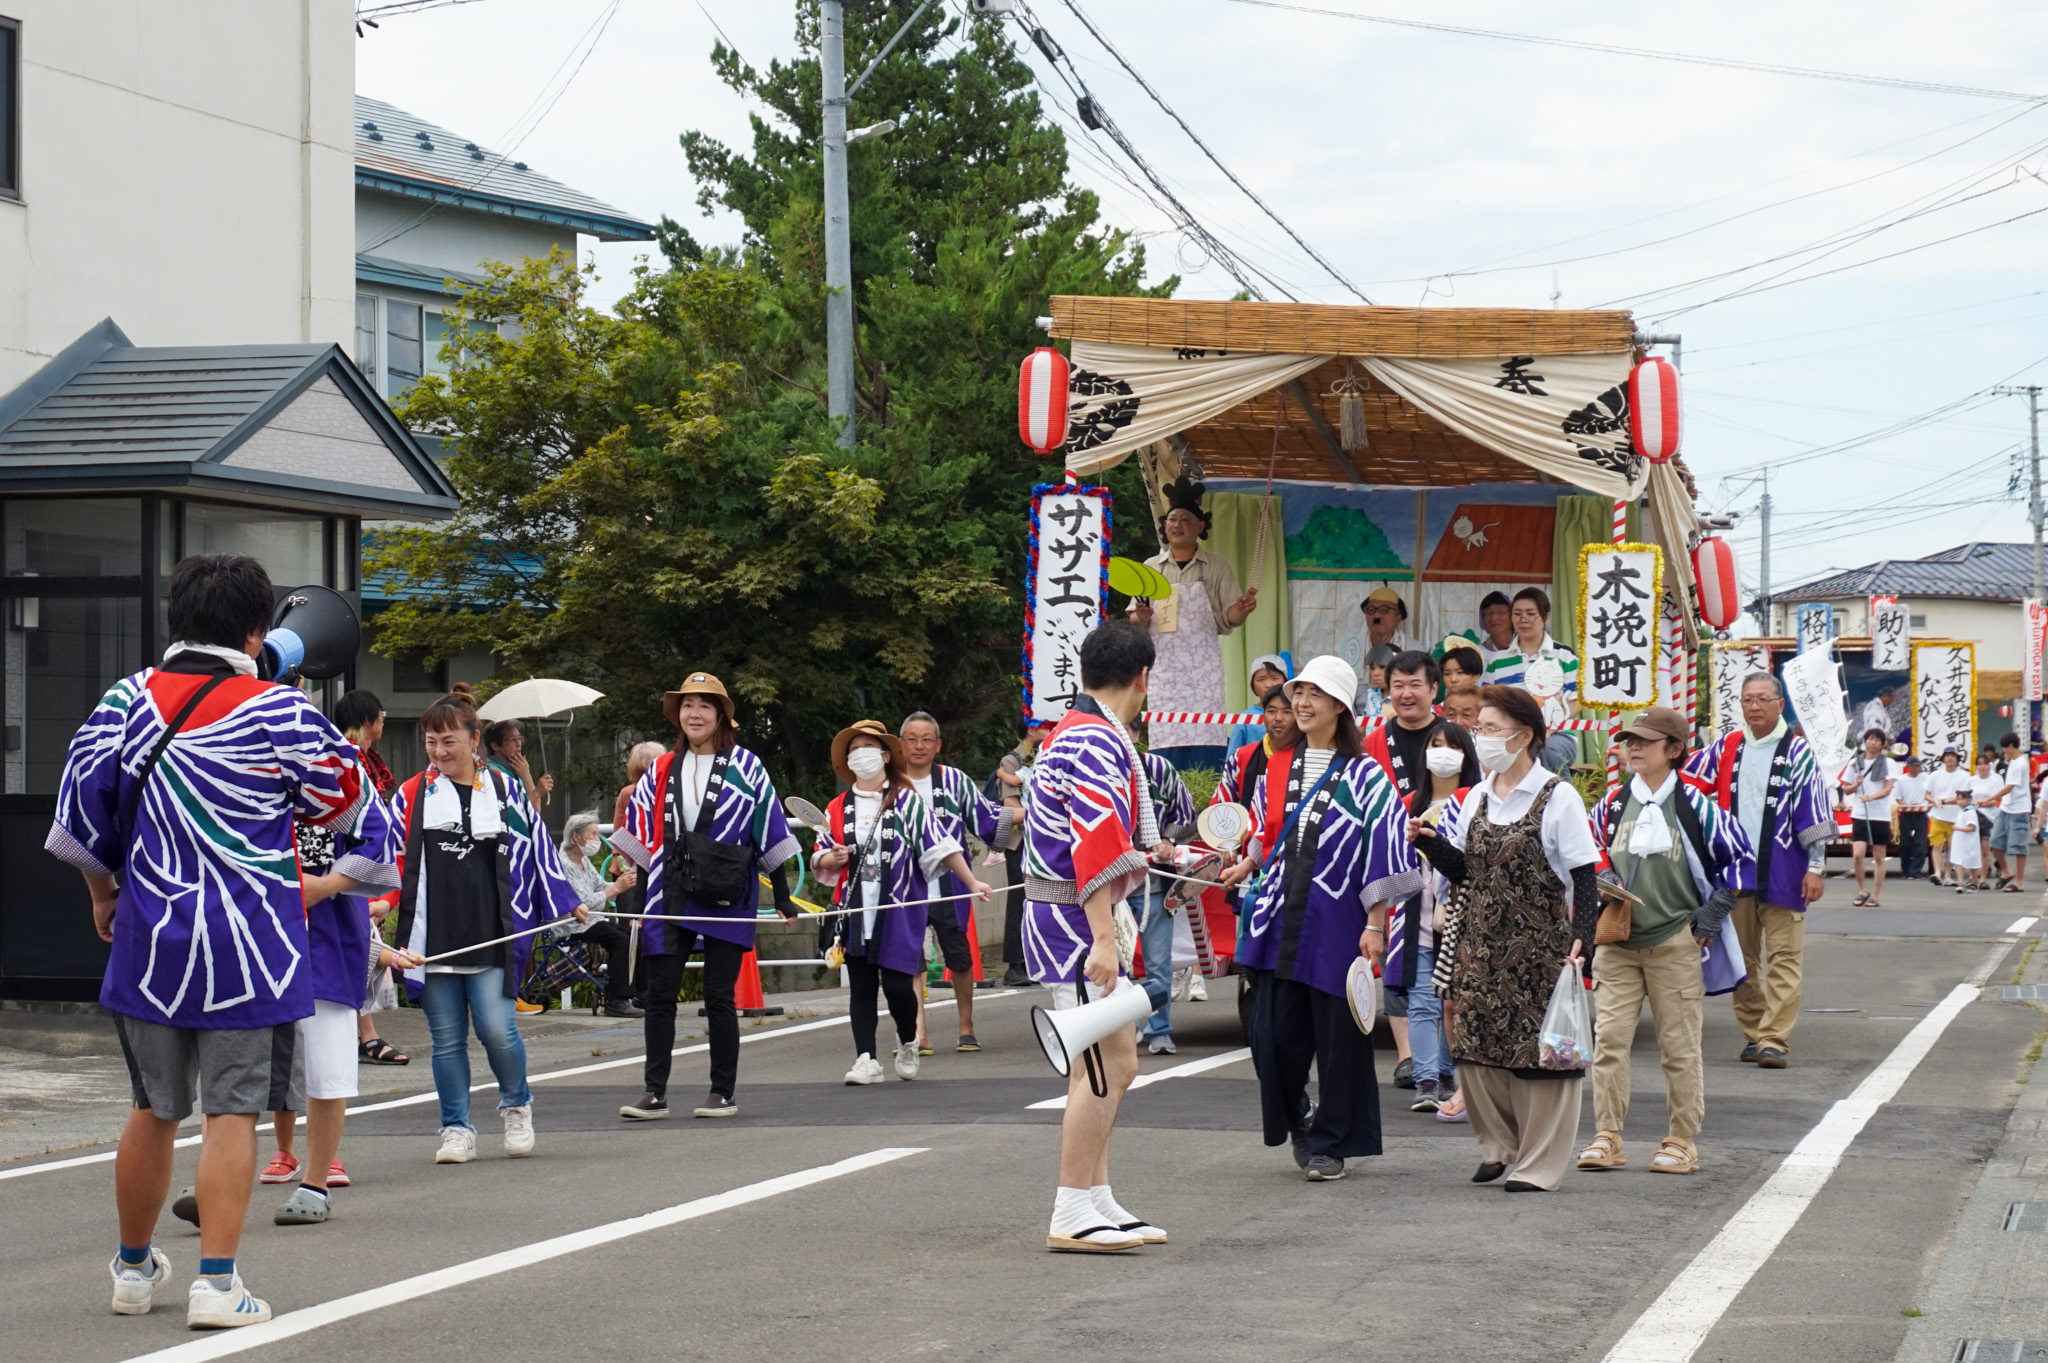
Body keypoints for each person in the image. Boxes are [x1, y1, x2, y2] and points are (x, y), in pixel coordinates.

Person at [49, 552, 374, 1327]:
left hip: (152, 939)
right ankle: (217, 1284)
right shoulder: (279, 711)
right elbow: (348, 801)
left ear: (176, 617)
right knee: (231, 1112)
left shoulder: (125, 700)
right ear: (257, 631)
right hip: (251, 945)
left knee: (152, 1107)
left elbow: (78, 816)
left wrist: (103, 895)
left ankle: (133, 1270)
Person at [1218, 654, 1421, 1182]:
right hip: (1277, 920)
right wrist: (1245, 863)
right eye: (1299, 693)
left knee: (1339, 1042)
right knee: (1270, 1039)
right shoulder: (1277, 765)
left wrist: (1375, 924)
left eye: (1315, 694)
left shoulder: (1366, 774)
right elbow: (1266, 831)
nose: (1303, 704)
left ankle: (1332, 1142)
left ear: (1340, 706)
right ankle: (1299, 1118)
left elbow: (1384, 849)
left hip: (1337, 923)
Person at [1412, 685, 1601, 1192]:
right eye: (1480, 729)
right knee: (1476, 1049)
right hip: (1478, 944)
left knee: (1542, 1057)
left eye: (1491, 729)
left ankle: (1538, 1163)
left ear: (1524, 736)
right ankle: (1497, 1147)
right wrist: (1429, 845)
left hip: (1538, 948)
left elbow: (1584, 875)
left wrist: (1584, 937)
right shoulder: (1477, 794)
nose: (1482, 738)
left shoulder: (1557, 797)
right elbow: (1464, 869)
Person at [1022, 620, 1171, 1251]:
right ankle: (1071, 1206)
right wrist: (1104, 939)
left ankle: (1095, 1196)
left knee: (1114, 1063)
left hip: (1074, 914)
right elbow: (1094, 842)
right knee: (1103, 1066)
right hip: (1077, 922)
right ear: (1143, 678)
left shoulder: (1079, 731)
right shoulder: (1092, 740)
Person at [388, 689, 584, 1164]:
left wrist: (566, 899)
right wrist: (379, 902)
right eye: (431, 741)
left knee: (497, 1029)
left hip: (494, 928)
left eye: (449, 741)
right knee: (446, 1039)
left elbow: (537, 846)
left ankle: (516, 1106)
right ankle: (456, 1128)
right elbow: (389, 857)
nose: (439, 751)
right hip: (434, 934)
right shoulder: (412, 793)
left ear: (474, 739)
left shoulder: (505, 789)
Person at [612, 672, 802, 1121]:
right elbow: (641, 835)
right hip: (669, 891)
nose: (694, 713)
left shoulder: (747, 766)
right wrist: (637, 900)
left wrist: (783, 896)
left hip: (727, 890)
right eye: (687, 705)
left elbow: (767, 826)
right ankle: (654, 1092)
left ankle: (722, 1092)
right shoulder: (661, 768)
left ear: (721, 715)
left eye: (704, 705)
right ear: (677, 714)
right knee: (660, 994)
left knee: (719, 995)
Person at [1577, 706, 1752, 1177]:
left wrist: (1711, 915)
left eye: (1646, 741)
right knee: (1609, 1042)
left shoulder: (1697, 805)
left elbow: (1740, 859)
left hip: (1676, 939)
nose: (1633, 748)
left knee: (1679, 1047)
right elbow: (1587, 849)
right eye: (1629, 740)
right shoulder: (1612, 804)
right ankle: (1607, 1135)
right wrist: (1604, 875)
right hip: (1617, 940)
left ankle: (1682, 1140)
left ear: (1675, 750)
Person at [259, 779, 407, 1224]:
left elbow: (376, 835)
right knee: (234, 1060)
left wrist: (325, 885)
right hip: (250, 929)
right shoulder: (234, 764)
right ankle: (219, 1177)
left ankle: (316, 1182)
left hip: (328, 934)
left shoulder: (338, 771)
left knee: (326, 1064)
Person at [815, 721, 990, 1083]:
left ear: (884, 756)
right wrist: (834, 857)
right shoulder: (837, 807)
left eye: (869, 747)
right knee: (861, 988)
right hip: (854, 909)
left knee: (899, 988)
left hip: (898, 908)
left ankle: (908, 1038)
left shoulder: (907, 801)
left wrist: (972, 881)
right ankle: (866, 1059)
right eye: (854, 749)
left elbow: (940, 845)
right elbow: (822, 856)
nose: (861, 755)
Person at [1686, 672, 1833, 1071]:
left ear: (1780, 705)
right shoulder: (1726, 746)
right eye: (1748, 699)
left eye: (1763, 699)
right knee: (1743, 958)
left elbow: (1814, 812)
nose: (1754, 706)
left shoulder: (1798, 752)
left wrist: (1815, 867)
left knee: (1784, 959)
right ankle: (1754, 1033)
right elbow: (1686, 781)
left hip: (1786, 870)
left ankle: (1774, 1039)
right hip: (1735, 872)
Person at [1364, 650, 1482, 1090]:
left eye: (1415, 684)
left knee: (1454, 994)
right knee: (1410, 983)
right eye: (1398, 685)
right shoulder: (1374, 743)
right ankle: (1417, 1067)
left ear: (1435, 689)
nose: (1406, 693)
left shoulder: (1470, 782)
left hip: (1456, 902)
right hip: (1407, 892)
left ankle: (1454, 1071)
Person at [898, 711, 1017, 1051]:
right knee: (910, 960)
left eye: (926, 740)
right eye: (912, 739)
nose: (919, 746)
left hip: (950, 885)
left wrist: (1038, 813)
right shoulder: (889, 783)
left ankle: (966, 1026)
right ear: (901, 744)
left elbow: (987, 819)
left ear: (938, 745)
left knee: (960, 958)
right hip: (904, 887)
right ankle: (918, 1033)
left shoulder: (955, 781)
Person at [1126, 474, 1258, 771]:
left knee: (1206, 733)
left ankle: (1207, 786)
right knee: (1166, 733)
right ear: (1164, 526)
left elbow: (1229, 619)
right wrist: (1140, 617)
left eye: (1186, 519)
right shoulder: (1150, 568)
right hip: (1164, 669)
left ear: (1200, 527)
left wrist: (1242, 609)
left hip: (1203, 670)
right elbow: (1134, 620)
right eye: (1172, 519)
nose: (1178, 525)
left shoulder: (1217, 566)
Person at [1393, 721, 1478, 1117]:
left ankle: (1449, 1073)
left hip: (1463, 914)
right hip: (1417, 913)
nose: (1442, 753)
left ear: (1467, 754)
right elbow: (1391, 857)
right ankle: (1426, 1080)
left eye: (1452, 746)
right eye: (1435, 744)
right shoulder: (1409, 803)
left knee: (1455, 1000)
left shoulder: (1476, 800)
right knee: (1423, 999)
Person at [334, 689, 410, 1068]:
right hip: (347, 876)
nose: (383, 722)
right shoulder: (348, 762)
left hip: (356, 877)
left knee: (358, 955)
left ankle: (364, 1035)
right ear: (368, 720)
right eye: (381, 715)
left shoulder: (361, 761)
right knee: (355, 953)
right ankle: (365, 1036)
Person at [1135, 748, 1197, 1055]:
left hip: (1154, 882)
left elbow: (1186, 813)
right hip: (1107, 885)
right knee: (1112, 965)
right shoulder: (1095, 766)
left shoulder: (1159, 768)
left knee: (1158, 963)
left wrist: (1168, 839)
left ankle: (1159, 1029)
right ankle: (1119, 1030)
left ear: (1137, 735)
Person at [1482, 587, 1581, 772]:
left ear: (1546, 617)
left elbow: (1577, 700)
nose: (1523, 619)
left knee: (1545, 751)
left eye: (1530, 614)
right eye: (1517, 614)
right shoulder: (1498, 661)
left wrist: (1548, 727)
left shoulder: (1564, 656)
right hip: (1509, 733)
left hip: (1556, 734)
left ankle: (1559, 791)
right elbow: (1488, 702)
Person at [557, 811, 642, 1017]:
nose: (597, 839)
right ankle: (616, 1000)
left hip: (591, 921)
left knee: (633, 936)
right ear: (577, 837)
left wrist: (623, 883)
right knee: (621, 941)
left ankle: (637, 995)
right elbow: (581, 903)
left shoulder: (583, 860)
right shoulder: (564, 864)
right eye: (593, 834)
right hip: (575, 923)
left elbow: (600, 886)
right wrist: (615, 889)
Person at [989, 722, 1050, 988]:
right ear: (1031, 729)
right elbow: (1011, 808)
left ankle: (1036, 961)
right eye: (1046, 726)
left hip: (1044, 841)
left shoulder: (1047, 757)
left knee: (1042, 900)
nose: (1051, 731)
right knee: (1020, 899)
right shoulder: (1011, 761)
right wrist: (1048, 813)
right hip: (1021, 843)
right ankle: (1015, 965)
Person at [1841, 729, 1895, 907]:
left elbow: (1888, 788)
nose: (1873, 743)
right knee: (1858, 854)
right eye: (1870, 739)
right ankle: (1862, 890)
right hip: (1860, 814)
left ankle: (1876, 895)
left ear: (1882, 744)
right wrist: (1856, 784)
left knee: (1879, 857)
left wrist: (1871, 797)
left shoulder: (1888, 762)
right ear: (1865, 742)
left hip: (1880, 815)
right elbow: (1846, 789)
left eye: (1877, 740)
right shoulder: (1855, 763)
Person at [1225, 654, 1292, 755]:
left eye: (1274, 678)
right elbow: (1232, 757)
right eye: (1261, 679)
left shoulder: (1295, 714)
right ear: (1253, 685)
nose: (1268, 685)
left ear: (1285, 681)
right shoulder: (1244, 719)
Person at [483, 718, 554, 810]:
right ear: (495, 746)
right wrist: (537, 793)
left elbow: (536, 809)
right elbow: (513, 812)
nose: (518, 744)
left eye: (520, 738)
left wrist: (526, 776)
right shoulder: (492, 772)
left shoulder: (517, 767)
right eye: (512, 739)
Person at [1991, 733, 2033, 891]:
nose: (2003, 750)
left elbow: (2009, 788)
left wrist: (1990, 798)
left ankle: (2018, 882)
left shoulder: (2020, 763)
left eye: (2004, 747)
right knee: (1995, 842)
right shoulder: (2013, 761)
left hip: (2019, 809)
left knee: (2019, 847)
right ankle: (2006, 871)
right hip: (2006, 808)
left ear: (2010, 746)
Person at [1949, 752, 1995, 893]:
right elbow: (1961, 796)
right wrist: (1945, 801)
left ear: (1989, 765)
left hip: (1987, 817)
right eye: (1979, 764)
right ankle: (1970, 879)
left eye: (1985, 764)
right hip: (1972, 814)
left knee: (1984, 850)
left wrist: (1984, 803)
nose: (1982, 767)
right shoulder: (1971, 781)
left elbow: (1998, 799)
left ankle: (1983, 879)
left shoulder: (1996, 779)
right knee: (1969, 849)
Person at [1926, 748, 1967, 886]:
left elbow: (1963, 796)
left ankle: (1948, 875)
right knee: (1937, 844)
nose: (1950, 758)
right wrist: (1934, 800)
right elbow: (1927, 794)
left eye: (1953, 756)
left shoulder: (1964, 776)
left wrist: (1944, 801)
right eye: (1947, 756)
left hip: (1956, 816)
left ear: (1957, 759)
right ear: (1943, 759)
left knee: (1952, 847)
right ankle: (1937, 873)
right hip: (1938, 815)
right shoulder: (1935, 775)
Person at [1893, 757, 1930, 880]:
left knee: (1921, 843)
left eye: (1919, 766)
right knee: (1905, 843)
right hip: (1906, 812)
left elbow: (1929, 793)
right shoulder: (1901, 780)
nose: (1918, 768)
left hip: (1921, 812)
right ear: (1909, 767)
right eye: (1915, 766)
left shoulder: (1926, 778)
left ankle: (1915, 871)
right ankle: (1906, 870)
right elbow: (1898, 798)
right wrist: (1904, 804)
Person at [1360, 586, 1412, 654]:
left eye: (1384, 610)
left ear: (1399, 617)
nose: (1377, 616)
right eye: (1371, 610)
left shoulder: (1412, 649)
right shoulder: (1354, 646)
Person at [1474, 591, 1517, 665]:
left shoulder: (1527, 651)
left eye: (1500, 612)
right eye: (1488, 613)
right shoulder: (1476, 655)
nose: (1493, 618)